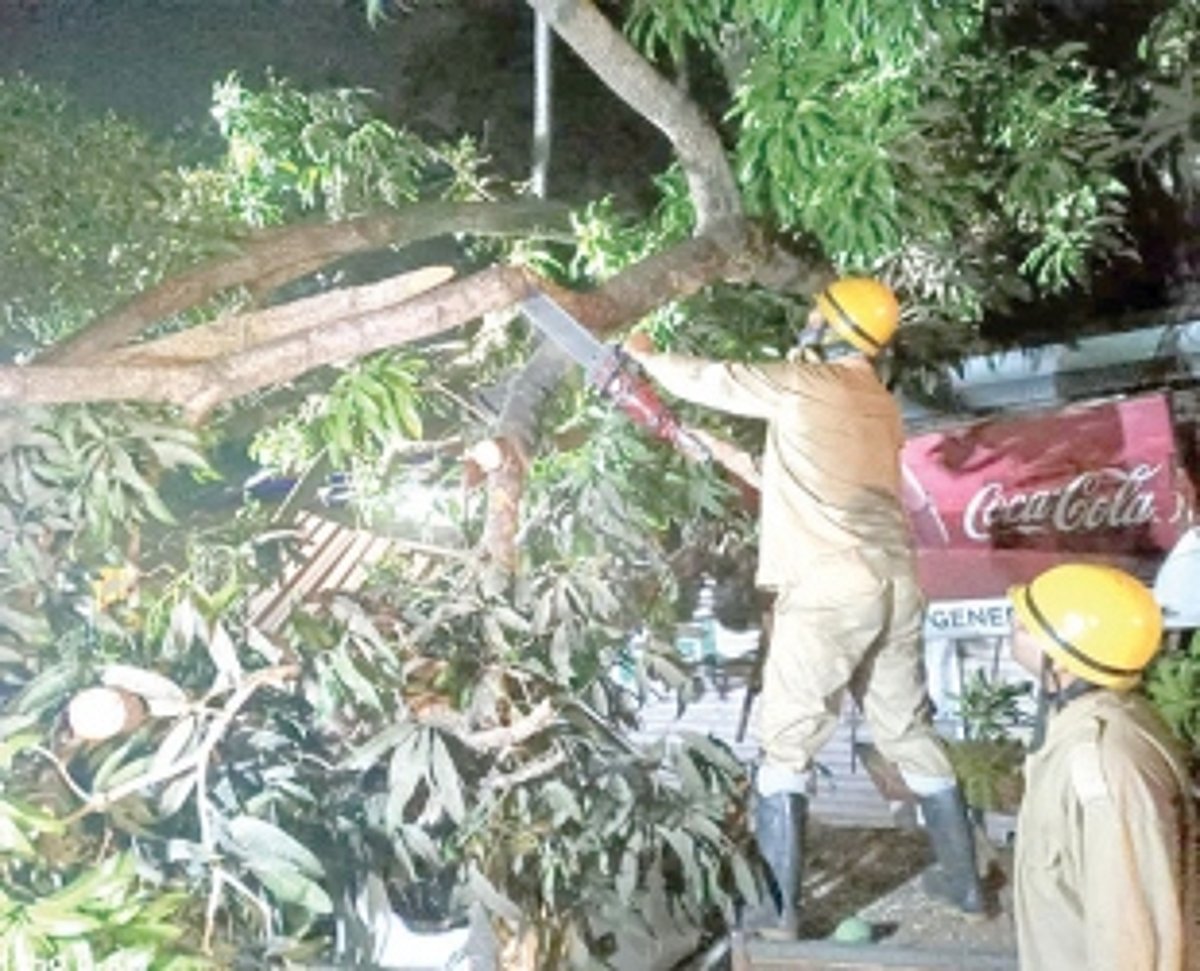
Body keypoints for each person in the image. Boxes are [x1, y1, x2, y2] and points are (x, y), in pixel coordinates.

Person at [624, 278, 983, 937]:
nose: (806, 325)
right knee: (907, 729)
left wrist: (647, 356)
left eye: (815, 316)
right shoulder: (877, 402)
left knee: (787, 744)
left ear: (830, 326)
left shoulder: (800, 383)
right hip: (895, 582)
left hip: (827, 589)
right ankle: (965, 887)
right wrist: (724, 453)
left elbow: (716, 377)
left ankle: (778, 913)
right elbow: (808, 477)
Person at [1007, 563, 1196, 971]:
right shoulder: (1090, 725)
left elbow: (1129, 933)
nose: (1012, 627)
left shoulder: (1101, 765)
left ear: (1062, 663)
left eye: (1025, 627)